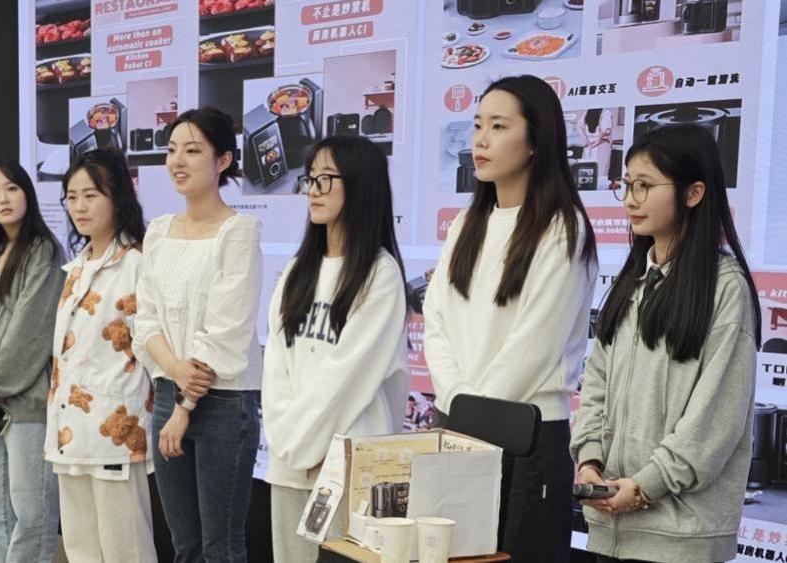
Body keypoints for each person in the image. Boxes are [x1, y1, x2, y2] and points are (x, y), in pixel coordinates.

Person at [422, 75, 598, 562]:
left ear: (537, 140)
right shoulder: (466, 224)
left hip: (527, 438)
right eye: (478, 125)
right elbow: (436, 321)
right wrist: (456, 404)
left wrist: (467, 414)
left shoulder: (563, 229)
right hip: (457, 432)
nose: (480, 140)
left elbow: (533, 347)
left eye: (498, 127)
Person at [571, 124, 760, 563]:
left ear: (694, 193)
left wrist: (645, 486)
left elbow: (715, 421)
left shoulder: (724, 288)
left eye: (645, 185)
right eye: (626, 185)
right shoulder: (633, 282)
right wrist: (590, 461)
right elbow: (595, 383)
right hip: (611, 527)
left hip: (681, 538)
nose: (630, 199)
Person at [262, 135, 409, 562]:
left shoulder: (379, 274)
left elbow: (348, 375)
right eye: (310, 179)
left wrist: (309, 446)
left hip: (348, 463)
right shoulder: (297, 270)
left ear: (360, 185)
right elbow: (276, 364)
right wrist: (291, 445)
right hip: (290, 462)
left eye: (326, 179)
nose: (314, 190)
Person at [133, 107, 262, 563]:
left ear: (223, 160)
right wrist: (174, 372)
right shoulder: (158, 231)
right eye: (172, 150)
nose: (178, 161)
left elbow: (225, 332)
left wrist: (186, 406)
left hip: (223, 402)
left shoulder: (239, 231)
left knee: (220, 548)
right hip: (168, 394)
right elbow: (145, 320)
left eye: (192, 151)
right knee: (184, 546)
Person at [43, 149, 158, 563]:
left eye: (90, 196)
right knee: (81, 548)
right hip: (69, 430)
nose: (79, 207)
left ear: (118, 198)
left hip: (116, 432)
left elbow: (151, 345)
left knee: (126, 549)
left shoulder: (138, 263)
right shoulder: (76, 267)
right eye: (72, 197)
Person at [0, 160, 64, 562]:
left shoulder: (43, 252)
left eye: (12, 188)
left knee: (31, 513)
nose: (3, 198)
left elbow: (30, 333)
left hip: (28, 406)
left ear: (27, 194)